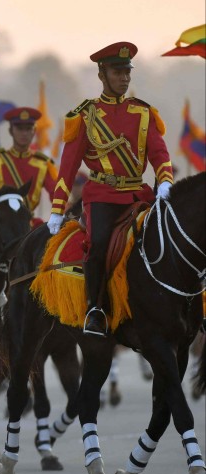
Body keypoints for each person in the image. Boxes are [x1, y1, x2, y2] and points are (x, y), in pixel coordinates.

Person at [48, 42, 173, 337]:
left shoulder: (143, 112)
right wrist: (56, 209)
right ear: (102, 74)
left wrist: (165, 179)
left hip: (139, 195)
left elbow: (159, 152)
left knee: (171, 238)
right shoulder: (85, 115)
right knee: (99, 243)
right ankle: (95, 309)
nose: (124, 78)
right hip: (102, 197)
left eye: (127, 72)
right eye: (118, 72)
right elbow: (67, 167)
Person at [0, 106, 58, 221]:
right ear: (11, 131)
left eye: (28, 128)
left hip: (27, 223)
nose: (24, 133)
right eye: (19, 128)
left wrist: (59, 214)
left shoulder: (44, 163)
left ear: (34, 131)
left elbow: (57, 194)